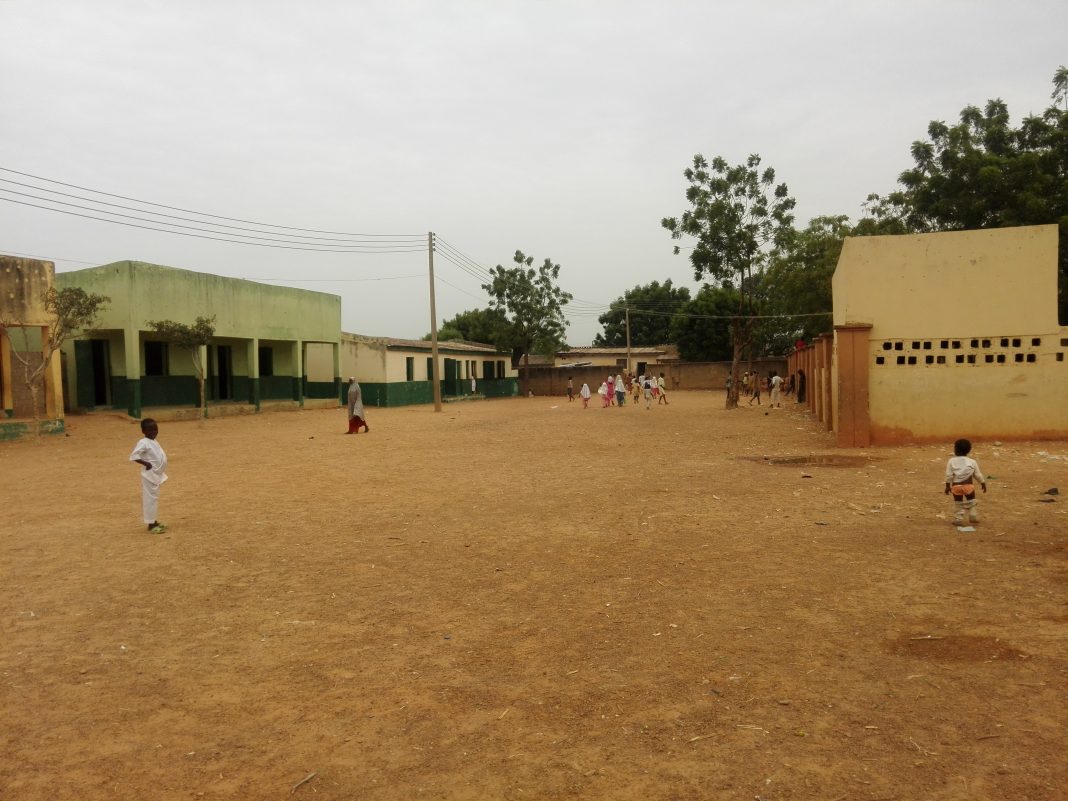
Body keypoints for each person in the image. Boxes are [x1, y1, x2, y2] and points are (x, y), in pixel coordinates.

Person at [130, 418, 168, 534]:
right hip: (149, 475)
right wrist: (147, 464)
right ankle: (151, 524)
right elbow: (134, 456)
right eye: (150, 430)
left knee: (154, 498)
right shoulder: (143, 442)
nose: (153, 432)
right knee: (150, 499)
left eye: (155, 430)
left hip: (155, 474)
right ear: (143, 431)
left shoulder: (153, 441)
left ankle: (153, 521)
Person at [945, 438, 987, 526]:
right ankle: (973, 516)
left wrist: (947, 486)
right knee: (972, 501)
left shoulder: (951, 461)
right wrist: (982, 483)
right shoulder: (972, 462)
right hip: (969, 486)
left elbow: (949, 475)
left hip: (956, 487)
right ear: (969, 450)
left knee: (958, 503)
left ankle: (958, 519)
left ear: (955, 449)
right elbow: (977, 475)